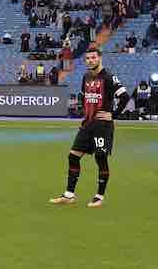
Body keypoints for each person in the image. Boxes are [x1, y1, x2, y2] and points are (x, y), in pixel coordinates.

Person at [50, 48, 129, 207]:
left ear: (99, 58)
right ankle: (69, 195)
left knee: (100, 159)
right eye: (87, 58)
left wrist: (113, 114)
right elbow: (84, 96)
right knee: (73, 156)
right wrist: (85, 112)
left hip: (102, 126)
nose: (90, 60)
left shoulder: (109, 77)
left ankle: (99, 197)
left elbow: (125, 97)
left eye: (93, 57)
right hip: (87, 124)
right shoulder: (86, 76)